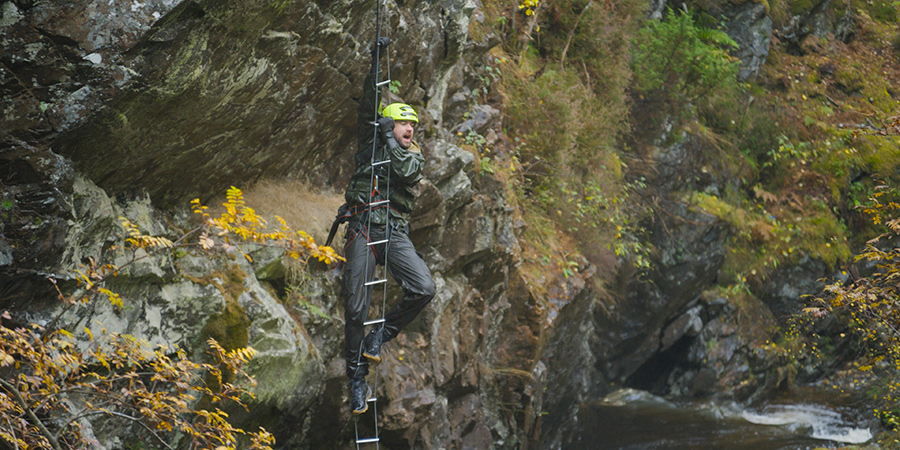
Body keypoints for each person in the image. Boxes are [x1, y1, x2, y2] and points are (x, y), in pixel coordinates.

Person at [341, 37, 436, 415]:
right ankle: (356, 378)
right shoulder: (371, 142)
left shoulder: (414, 158)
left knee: (424, 287)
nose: (409, 129)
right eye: (402, 122)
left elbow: (400, 168)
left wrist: (388, 136)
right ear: (389, 122)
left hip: (393, 232)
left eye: (412, 125)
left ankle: (381, 335)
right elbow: (369, 98)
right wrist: (377, 58)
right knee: (354, 306)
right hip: (363, 226)